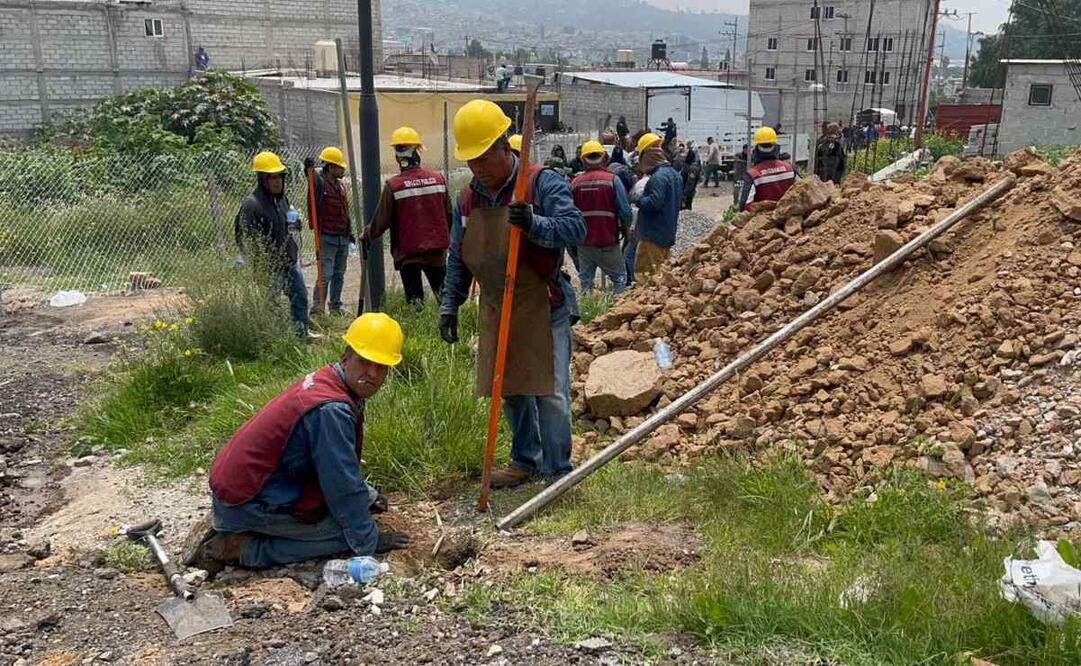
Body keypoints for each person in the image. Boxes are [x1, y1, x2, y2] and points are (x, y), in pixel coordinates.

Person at [186, 313, 411, 572]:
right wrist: (368, 541)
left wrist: (367, 496)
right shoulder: (332, 409)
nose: (372, 373)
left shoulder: (328, 381)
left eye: (381, 366)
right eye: (364, 361)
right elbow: (342, 485)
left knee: (356, 513)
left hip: (253, 488)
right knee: (342, 535)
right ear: (346, 358)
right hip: (246, 502)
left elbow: (332, 463)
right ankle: (240, 548)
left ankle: (242, 530)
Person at [439, 100, 585, 488]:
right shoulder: (469, 199)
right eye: (471, 162)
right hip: (496, 304)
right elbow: (458, 255)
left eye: (484, 159)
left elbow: (575, 229)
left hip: (542, 303)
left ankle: (557, 471)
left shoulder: (541, 183)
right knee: (511, 388)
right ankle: (525, 460)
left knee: (550, 392)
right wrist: (449, 306)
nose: (478, 169)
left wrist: (535, 224)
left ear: (506, 147)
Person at [364, 127, 451, 307]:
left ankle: (417, 330)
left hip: (408, 254)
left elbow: (381, 220)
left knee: (415, 303)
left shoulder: (394, 186)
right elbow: (449, 214)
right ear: (418, 151)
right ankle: (450, 326)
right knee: (445, 301)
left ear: (398, 156)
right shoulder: (438, 179)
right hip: (436, 252)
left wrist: (367, 235)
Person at [234, 151, 316, 338]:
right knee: (271, 305)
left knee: (300, 297)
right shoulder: (252, 205)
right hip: (269, 267)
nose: (277, 181)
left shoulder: (282, 200)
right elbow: (243, 237)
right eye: (272, 177)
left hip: (288, 261)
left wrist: (296, 225)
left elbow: (287, 225)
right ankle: (273, 340)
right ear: (262, 179)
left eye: (280, 176)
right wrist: (259, 262)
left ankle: (301, 335)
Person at [571, 141, 632, 295]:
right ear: (604, 158)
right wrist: (626, 230)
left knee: (585, 283)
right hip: (608, 241)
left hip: (584, 243)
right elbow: (625, 212)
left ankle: (587, 315)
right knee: (619, 278)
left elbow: (570, 215)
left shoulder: (575, 183)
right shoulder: (612, 180)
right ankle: (617, 313)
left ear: (583, 160)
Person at [303, 147, 352, 316]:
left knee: (339, 274)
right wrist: (307, 169)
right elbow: (311, 179)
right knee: (325, 274)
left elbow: (344, 211)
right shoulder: (319, 183)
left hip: (342, 238)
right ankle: (318, 309)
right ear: (330, 167)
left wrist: (349, 231)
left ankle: (336, 307)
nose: (343, 169)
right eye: (339, 167)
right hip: (327, 237)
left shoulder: (340, 186)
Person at [632, 132, 682, 279]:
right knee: (660, 275)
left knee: (646, 277)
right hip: (666, 233)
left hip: (652, 236)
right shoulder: (673, 174)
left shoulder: (658, 178)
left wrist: (637, 199)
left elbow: (654, 203)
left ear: (646, 156)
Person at [737, 126, 797, 212]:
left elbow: (744, 206)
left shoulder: (753, 175)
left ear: (757, 148)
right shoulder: (790, 169)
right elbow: (804, 192)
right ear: (776, 147)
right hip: (788, 220)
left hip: (764, 223)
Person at [681, 140, 702, 210]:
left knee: (686, 210)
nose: (683, 157)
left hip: (687, 195)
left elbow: (689, 184)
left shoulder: (692, 168)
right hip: (687, 193)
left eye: (685, 156)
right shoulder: (691, 166)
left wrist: (683, 198)